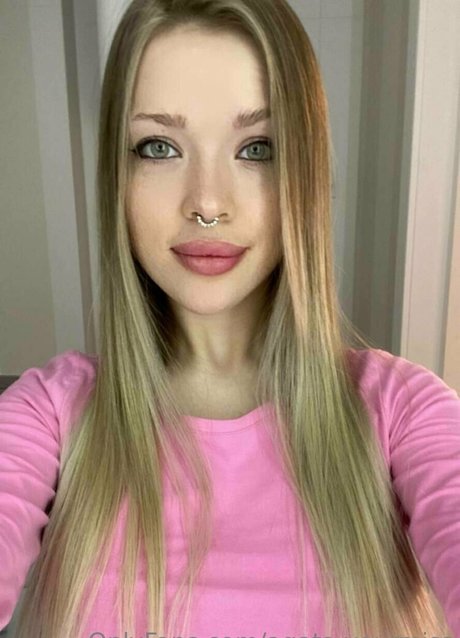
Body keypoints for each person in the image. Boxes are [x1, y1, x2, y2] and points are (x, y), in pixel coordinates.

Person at [0, 1, 459, 637]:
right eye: (159, 147)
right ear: (117, 175)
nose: (208, 204)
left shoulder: (405, 414)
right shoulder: (49, 416)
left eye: (257, 148)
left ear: (305, 173)